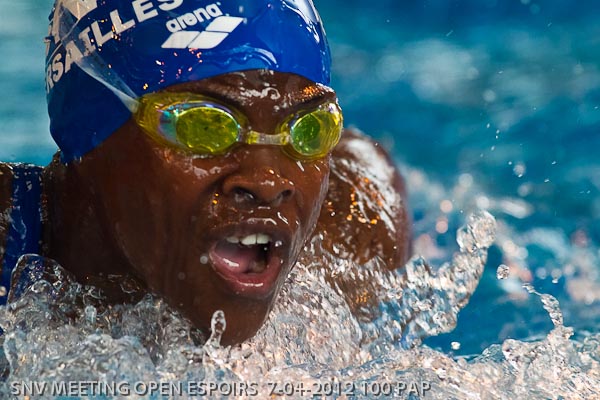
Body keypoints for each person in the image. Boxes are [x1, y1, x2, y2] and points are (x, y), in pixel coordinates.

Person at [0, 0, 411, 344]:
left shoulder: (350, 248)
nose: (268, 182)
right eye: (204, 127)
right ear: (87, 132)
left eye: (308, 130)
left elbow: (368, 167)